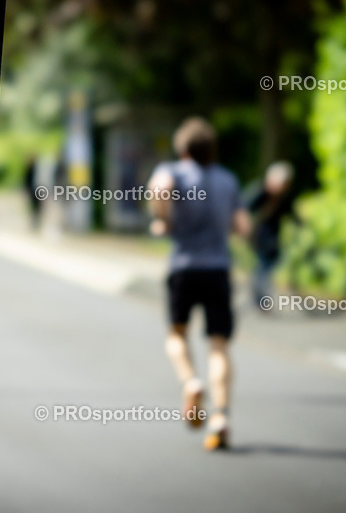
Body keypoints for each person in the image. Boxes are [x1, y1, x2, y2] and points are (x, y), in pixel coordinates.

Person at [148, 117, 250, 451]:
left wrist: (163, 220)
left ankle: (191, 381)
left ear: (183, 148)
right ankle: (220, 415)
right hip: (218, 269)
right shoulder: (228, 180)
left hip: (183, 267)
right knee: (218, 344)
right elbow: (243, 226)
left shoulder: (174, 172)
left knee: (177, 333)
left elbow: (159, 189)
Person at [247, 161, 297, 310]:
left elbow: (290, 213)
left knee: (269, 262)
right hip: (259, 234)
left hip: (273, 234)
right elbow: (246, 208)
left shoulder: (283, 197)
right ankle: (260, 297)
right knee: (264, 264)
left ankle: (260, 293)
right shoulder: (260, 192)